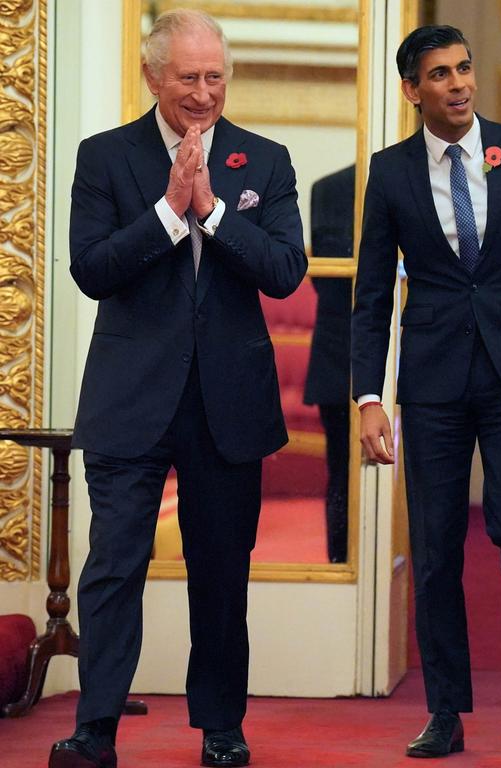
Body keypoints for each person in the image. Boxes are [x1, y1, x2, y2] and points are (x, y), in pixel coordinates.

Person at [52, 9, 306, 768]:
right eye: (189, 78)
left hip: (228, 403)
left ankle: (221, 728)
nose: (204, 93)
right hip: (131, 399)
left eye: (216, 77)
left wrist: (212, 211)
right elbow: (91, 269)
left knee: (222, 575)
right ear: (153, 77)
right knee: (113, 565)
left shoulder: (264, 159)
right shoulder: (105, 157)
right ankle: (95, 727)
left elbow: (285, 270)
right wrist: (168, 211)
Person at [350, 25, 501, 758]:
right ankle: (446, 709)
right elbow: (371, 295)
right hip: (434, 384)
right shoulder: (391, 171)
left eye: (465, 68)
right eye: (440, 74)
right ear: (413, 90)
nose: (459, 83)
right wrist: (368, 398)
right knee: (436, 550)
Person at [305, 165, 356, 563]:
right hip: (339, 354)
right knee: (341, 472)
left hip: (415, 356)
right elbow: (325, 279)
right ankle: (339, 567)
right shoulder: (331, 188)